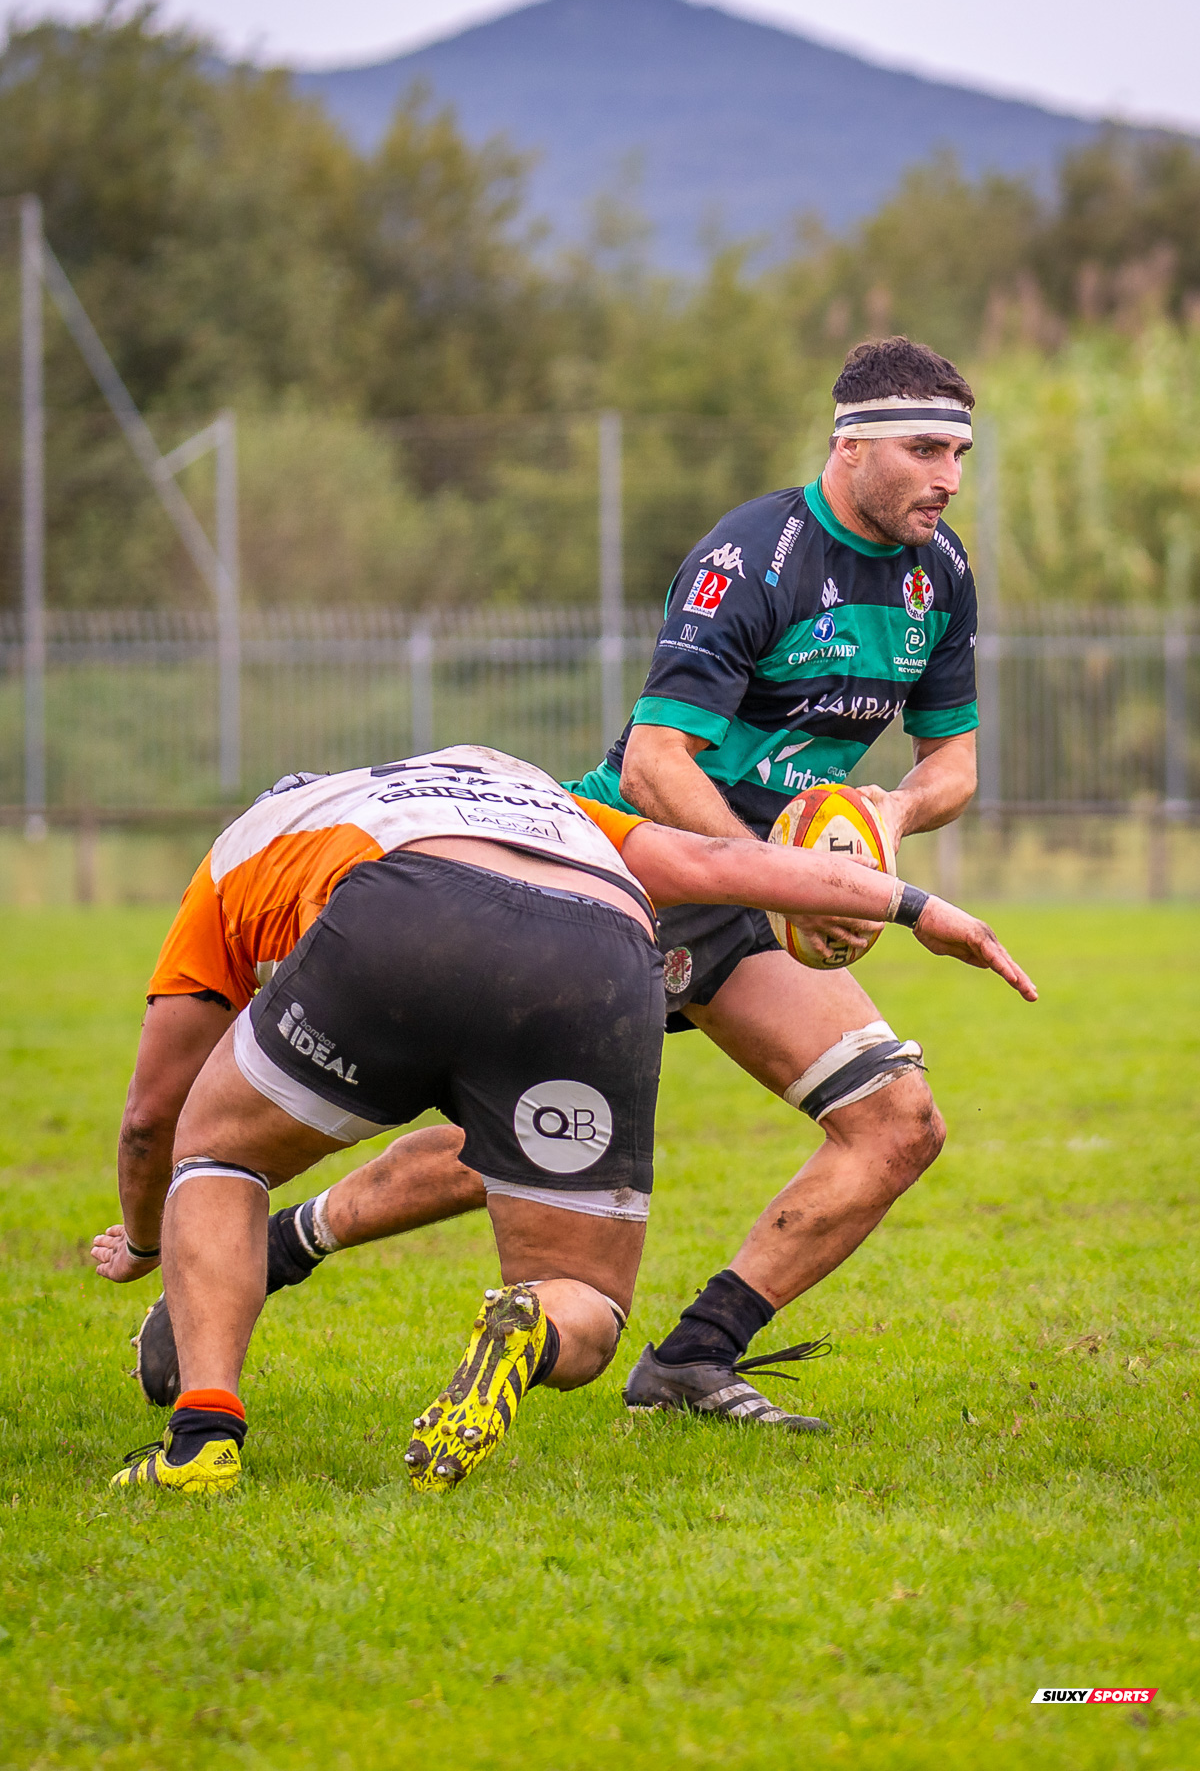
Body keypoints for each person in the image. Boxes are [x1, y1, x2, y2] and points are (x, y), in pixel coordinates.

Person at [101, 746, 1033, 1492]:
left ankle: (204, 1441)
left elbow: (152, 1114)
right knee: (585, 1299)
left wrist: (148, 1239)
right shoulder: (538, 798)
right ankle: (533, 1328)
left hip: (399, 921)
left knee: (218, 1158)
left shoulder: (252, 841)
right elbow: (722, 863)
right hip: (598, 952)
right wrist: (918, 907)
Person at [569, 335, 992, 1426]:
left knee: (899, 1121)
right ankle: (276, 1241)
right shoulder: (754, 558)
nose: (947, 477)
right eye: (924, 448)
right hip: (633, 866)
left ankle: (693, 1360)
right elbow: (661, 763)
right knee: (511, 1143)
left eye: (960, 452)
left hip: (757, 891)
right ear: (849, 445)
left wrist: (892, 812)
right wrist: (774, 883)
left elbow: (954, 761)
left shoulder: (937, 576)